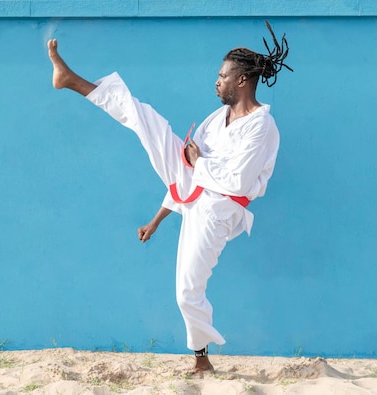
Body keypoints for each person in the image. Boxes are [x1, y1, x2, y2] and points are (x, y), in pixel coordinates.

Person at [47, 21, 292, 374]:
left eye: (223, 76)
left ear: (242, 80)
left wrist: (197, 162)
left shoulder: (261, 126)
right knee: (148, 120)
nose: (217, 81)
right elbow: (188, 176)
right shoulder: (217, 118)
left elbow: (238, 180)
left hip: (217, 209)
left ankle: (201, 360)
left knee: (187, 292)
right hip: (196, 187)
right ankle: (72, 81)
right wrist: (157, 219)